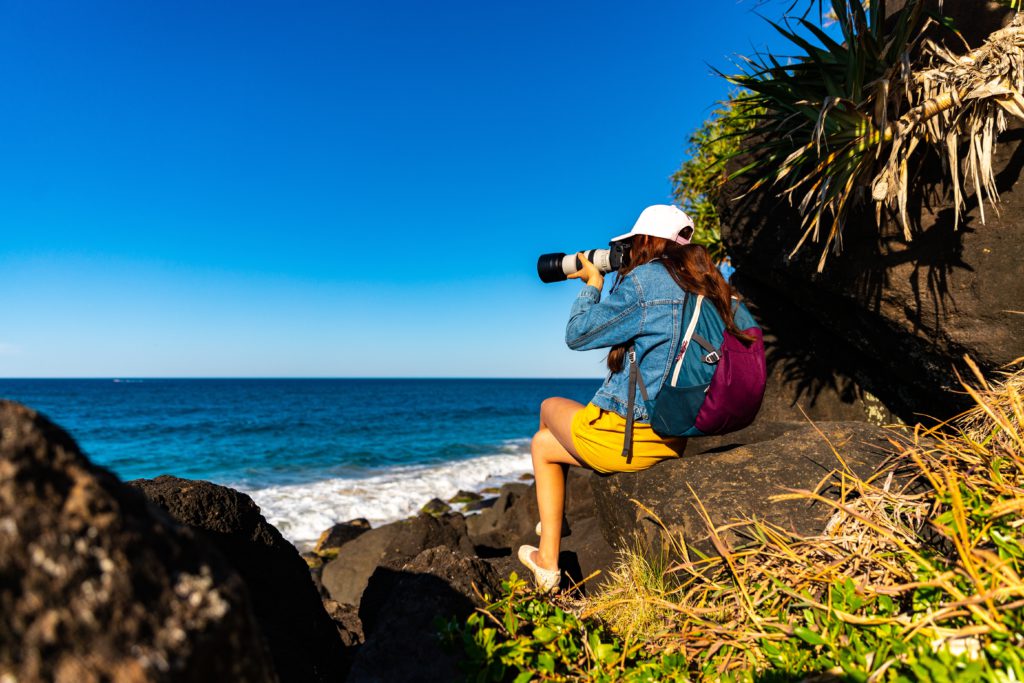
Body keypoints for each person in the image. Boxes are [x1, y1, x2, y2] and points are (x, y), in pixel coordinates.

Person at [518, 204, 755, 592]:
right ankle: (551, 535)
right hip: (673, 436)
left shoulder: (648, 282)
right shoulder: (705, 283)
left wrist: (593, 283)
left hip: (629, 440)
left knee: (545, 420)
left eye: (630, 244)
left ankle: (549, 554)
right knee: (548, 439)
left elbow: (577, 334)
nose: (627, 253)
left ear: (646, 240)